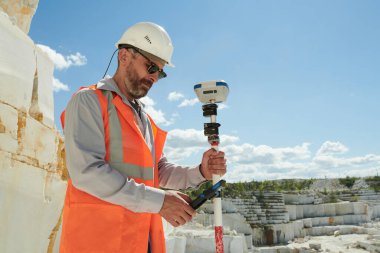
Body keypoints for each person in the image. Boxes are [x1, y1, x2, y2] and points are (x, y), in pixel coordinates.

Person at [59, 22, 227, 253]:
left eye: (161, 71)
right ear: (124, 56)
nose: (155, 77)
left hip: (139, 241)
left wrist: (200, 172)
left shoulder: (143, 118)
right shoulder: (88, 101)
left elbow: (158, 171)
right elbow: (87, 172)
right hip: (97, 242)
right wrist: (160, 202)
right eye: (151, 67)